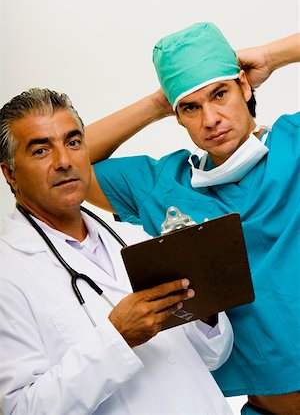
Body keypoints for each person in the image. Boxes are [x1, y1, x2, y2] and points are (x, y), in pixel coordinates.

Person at [84, 23, 300, 414]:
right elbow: (67, 165)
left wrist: (271, 57)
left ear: (245, 88)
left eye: (220, 95)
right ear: (177, 116)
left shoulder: (295, 141)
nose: (211, 118)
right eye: (190, 107)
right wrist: (155, 105)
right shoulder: (165, 185)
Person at [0, 88, 234, 415]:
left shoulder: (133, 237)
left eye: (73, 142)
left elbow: (213, 356)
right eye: (41, 150)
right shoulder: (8, 274)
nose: (64, 161)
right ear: (10, 173)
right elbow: (18, 409)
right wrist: (117, 338)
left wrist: (205, 308)